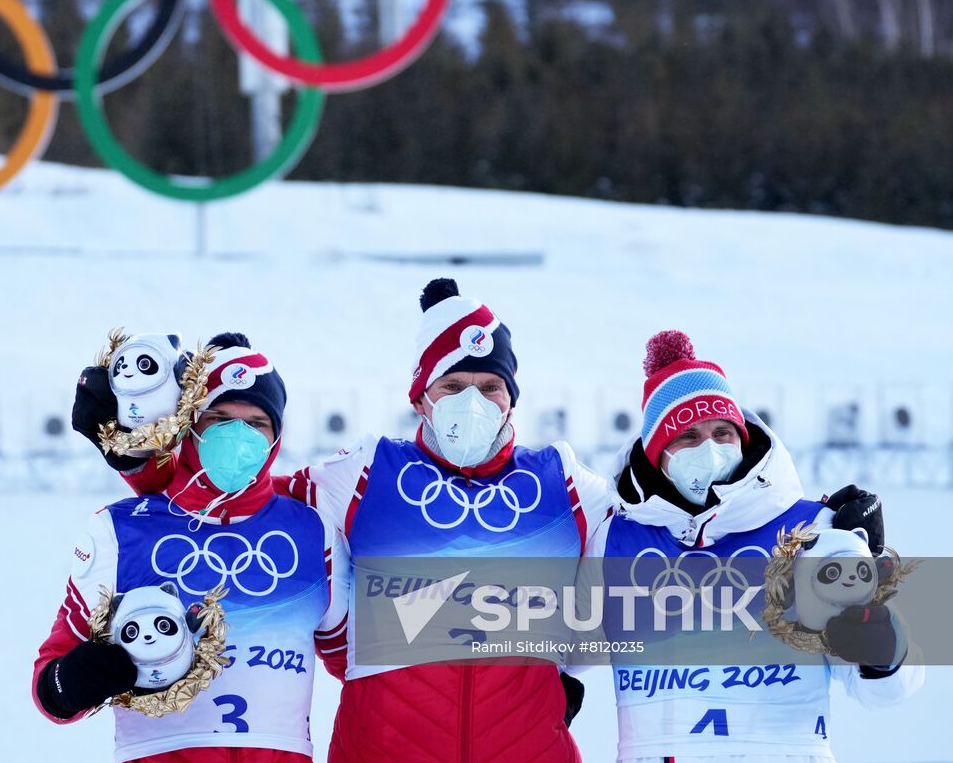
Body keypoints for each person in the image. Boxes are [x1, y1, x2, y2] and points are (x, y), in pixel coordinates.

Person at [83, 279, 614, 762]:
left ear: (511, 399)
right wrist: (140, 465)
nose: (472, 401)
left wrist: (565, 670)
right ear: (422, 397)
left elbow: (642, 568)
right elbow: (237, 496)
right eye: (453, 387)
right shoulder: (367, 471)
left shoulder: (561, 481)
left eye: (490, 387)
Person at [579, 329, 922, 762]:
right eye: (687, 436)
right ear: (657, 455)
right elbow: (563, 653)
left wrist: (882, 650)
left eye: (723, 432)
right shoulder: (614, 539)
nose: (710, 447)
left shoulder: (808, 530)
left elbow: (889, 691)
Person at [36, 332, 350, 762]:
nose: (237, 436)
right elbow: (51, 675)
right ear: (188, 425)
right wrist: (70, 684)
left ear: (276, 435)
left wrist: (465, 621)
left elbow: (365, 662)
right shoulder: (120, 530)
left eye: (256, 423)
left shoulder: (313, 534)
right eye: (219, 418)